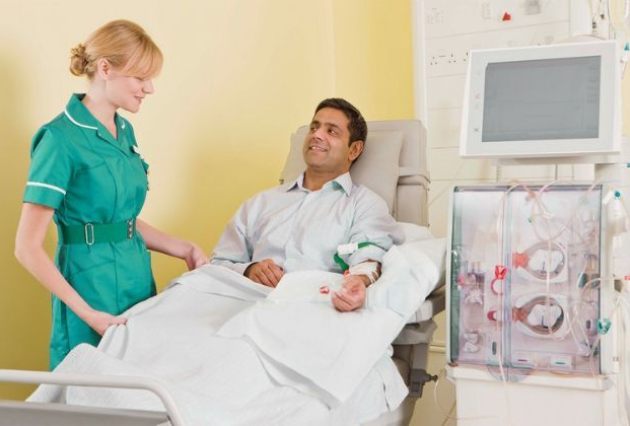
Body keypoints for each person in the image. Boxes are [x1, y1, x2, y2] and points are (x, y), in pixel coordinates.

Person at [14, 20, 208, 370]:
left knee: (143, 397)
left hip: (137, 283)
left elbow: (120, 221)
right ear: (105, 69)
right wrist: (88, 313)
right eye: (140, 77)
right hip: (89, 290)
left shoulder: (124, 130)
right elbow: (26, 247)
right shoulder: (59, 140)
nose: (149, 88)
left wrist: (185, 248)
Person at [211, 98, 403, 312]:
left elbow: (369, 255)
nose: (316, 135)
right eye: (314, 127)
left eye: (332, 131)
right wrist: (249, 270)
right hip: (243, 302)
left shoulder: (364, 204)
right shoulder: (260, 203)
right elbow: (218, 264)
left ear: (354, 150)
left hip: (311, 308)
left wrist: (359, 280)